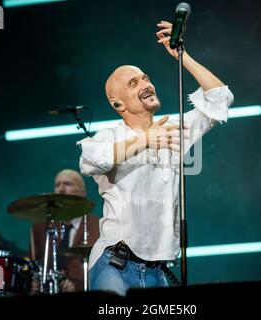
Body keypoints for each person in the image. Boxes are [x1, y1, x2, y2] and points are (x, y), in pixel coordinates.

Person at [77, 20, 234, 296]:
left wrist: (182, 56)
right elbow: (91, 161)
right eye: (134, 83)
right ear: (118, 104)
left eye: (146, 78)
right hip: (114, 264)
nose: (146, 84)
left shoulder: (172, 130)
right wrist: (145, 140)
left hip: (157, 272)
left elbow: (220, 99)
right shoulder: (108, 136)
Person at [30, 169, 99, 292]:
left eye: (68, 184)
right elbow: (32, 263)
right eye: (57, 185)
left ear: (82, 192)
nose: (61, 189)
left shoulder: (98, 226)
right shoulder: (41, 227)